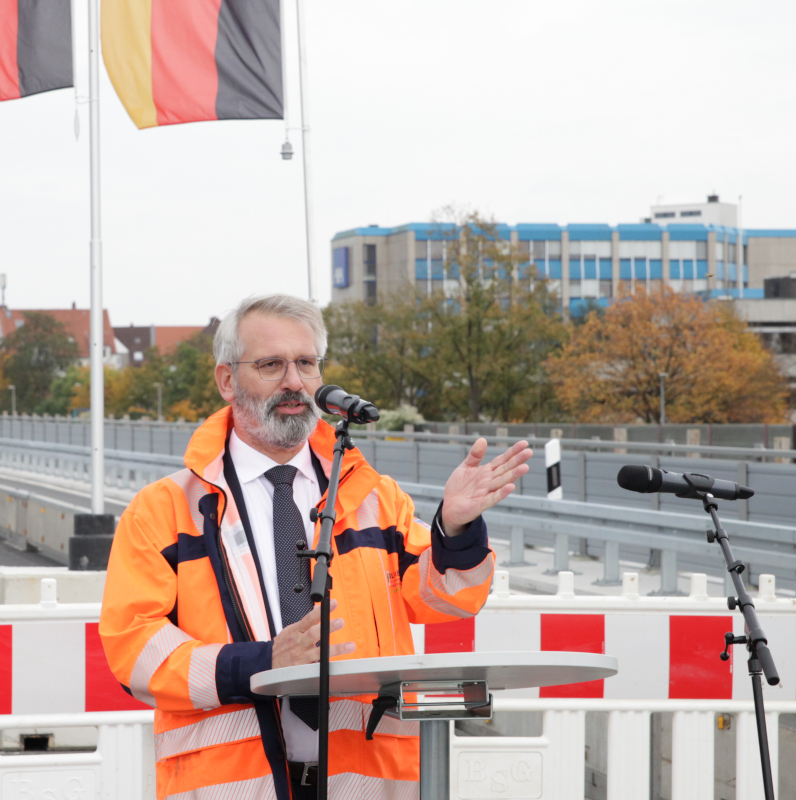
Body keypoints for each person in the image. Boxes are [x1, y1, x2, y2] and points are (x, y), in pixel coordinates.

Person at [100, 294, 532, 799]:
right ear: (226, 380)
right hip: (231, 788)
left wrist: (454, 529)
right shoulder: (164, 510)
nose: (294, 382)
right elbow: (134, 650)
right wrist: (262, 662)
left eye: (306, 363)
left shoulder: (373, 496)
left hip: (366, 785)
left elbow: (448, 597)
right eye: (271, 365)